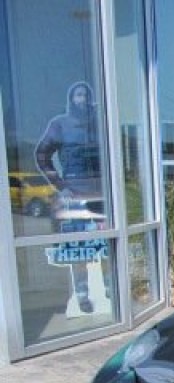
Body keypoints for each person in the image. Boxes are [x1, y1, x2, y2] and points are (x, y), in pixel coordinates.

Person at [35, 81, 107, 313]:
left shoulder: (101, 124)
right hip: (74, 193)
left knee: (106, 245)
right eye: (78, 95)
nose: (82, 100)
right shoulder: (60, 125)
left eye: (86, 95)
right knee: (78, 249)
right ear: (71, 99)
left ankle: (109, 288)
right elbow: (42, 155)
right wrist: (60, 186)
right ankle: (82, 294)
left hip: (101, 193)